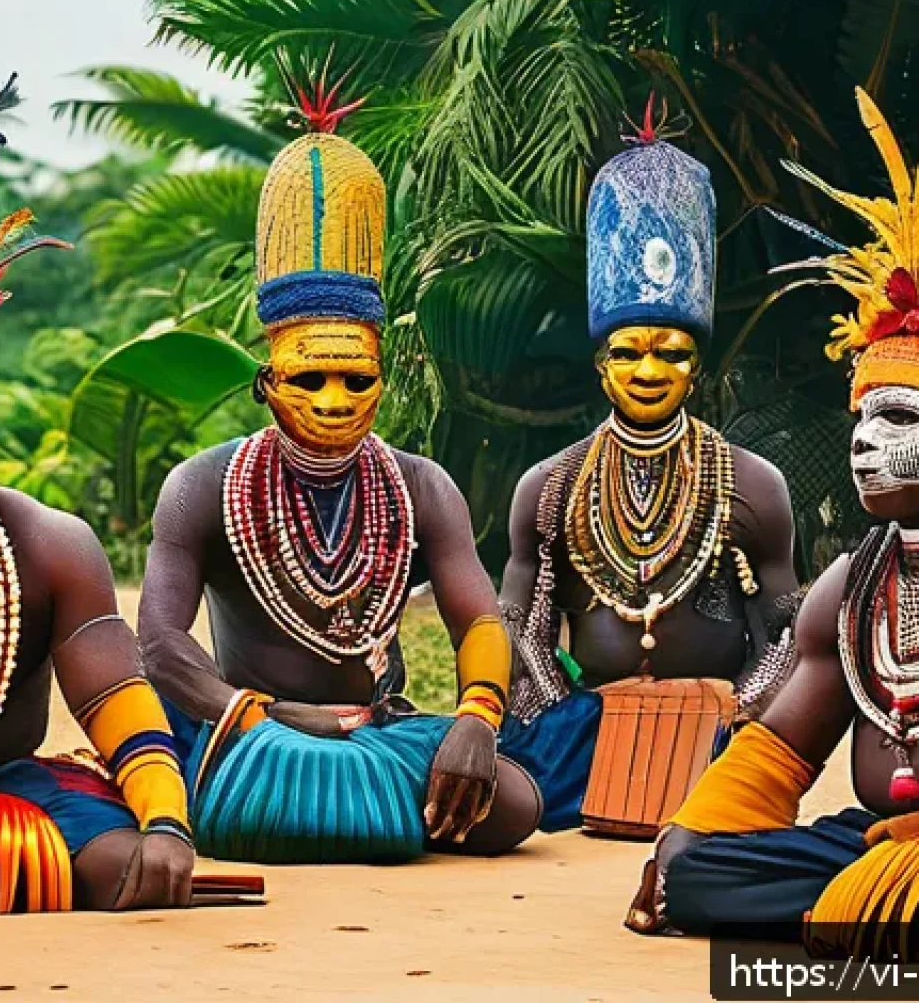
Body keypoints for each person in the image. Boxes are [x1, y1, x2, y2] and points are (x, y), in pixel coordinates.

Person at [139, 80, 541, 864]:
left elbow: (480, 621)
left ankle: (341, 806)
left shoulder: (421, 488)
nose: (333, 400)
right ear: (266, 382)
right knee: (224, 782)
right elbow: (158, 642)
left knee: (515, 803)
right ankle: (350, 811)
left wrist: (476, 718)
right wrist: (258, 715)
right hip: (252, 728)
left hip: (375, 728)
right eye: (308, 378)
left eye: (356, 379)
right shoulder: (202, 487)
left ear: (382, 378)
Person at [627, 88, 919, 960]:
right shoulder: (856, 587)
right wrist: (681, 842)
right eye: (860, 420)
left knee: (873, 886)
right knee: (703, 873)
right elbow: (782, 749)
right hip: (877, 840)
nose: (864, 445)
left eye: (898, 421)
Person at [0, 82, 196, 918]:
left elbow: (113, 693)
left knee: (129, 870)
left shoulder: (46, 544)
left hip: (7, 791)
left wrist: (167, 819)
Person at [498, 97, 800, 834]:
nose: (648, 371)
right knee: (516, 787)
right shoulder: (551, 487)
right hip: (581, 735)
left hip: (717, 728)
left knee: (737, 792)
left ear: (698, 367)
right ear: (600, 364)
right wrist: (572, 715)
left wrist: (736, 707)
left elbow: (786, 636)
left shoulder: (751, 486)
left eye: (671, 352)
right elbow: (520, 631)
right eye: (628, 351)